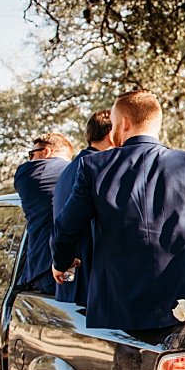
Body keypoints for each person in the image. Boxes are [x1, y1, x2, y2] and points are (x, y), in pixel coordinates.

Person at [51, 90, 185, 331]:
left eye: (112, 123)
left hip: (117, 305)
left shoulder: (93, 166)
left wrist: (61, 262)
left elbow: (66, 226)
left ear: (124, 123)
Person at [52, 110, 113, 306]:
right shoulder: (99, 168)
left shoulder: (69, 169)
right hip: (92, 286)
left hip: (69, 285)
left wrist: (60, 263)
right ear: (112, 135)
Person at [14, 132, 74, 294]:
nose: (30, 160)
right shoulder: (79, 172)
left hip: (43, 272)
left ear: (46, 151)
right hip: (76, 270)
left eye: (31, 154)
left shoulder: (26, 174)